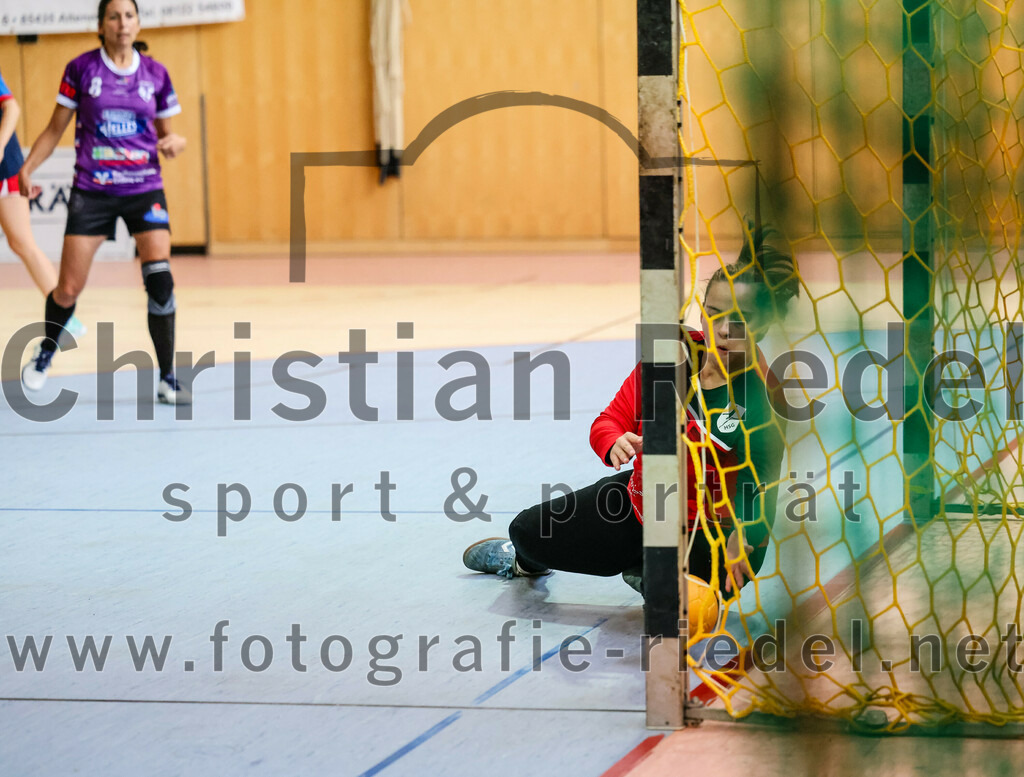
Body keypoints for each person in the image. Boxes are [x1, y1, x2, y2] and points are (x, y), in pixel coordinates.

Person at [463, 226, 799, 596]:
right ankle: (523, 562)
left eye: (740, 318)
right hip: (639, 505)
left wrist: (742, 538)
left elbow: (762, 485)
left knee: (676, 604)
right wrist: (614, 441)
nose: (722, 329)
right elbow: (608, 420)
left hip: (715, 534)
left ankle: (652, 574)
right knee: (527, 531)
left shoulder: (763, 397)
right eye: (714, 313)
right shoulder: (671, 357)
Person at [19, 0, 190, 404]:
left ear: (138, 22)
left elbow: (168, 132)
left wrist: (175, 142)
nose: (122, 23)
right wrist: (27, 169)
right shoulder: (82, 69)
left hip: (144, 189)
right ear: (101, 24)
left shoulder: (156, 74)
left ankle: (167, 377)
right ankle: (44, 353)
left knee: (160, 279)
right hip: (93, 191)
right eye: (114, 16)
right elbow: (54, 128)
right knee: (67, 288)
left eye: (129, 15)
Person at [0, 68, 86, 341]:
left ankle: (64, 317)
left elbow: (12, 108)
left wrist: (0, 145)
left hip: (5, 168)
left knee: (22, 242)